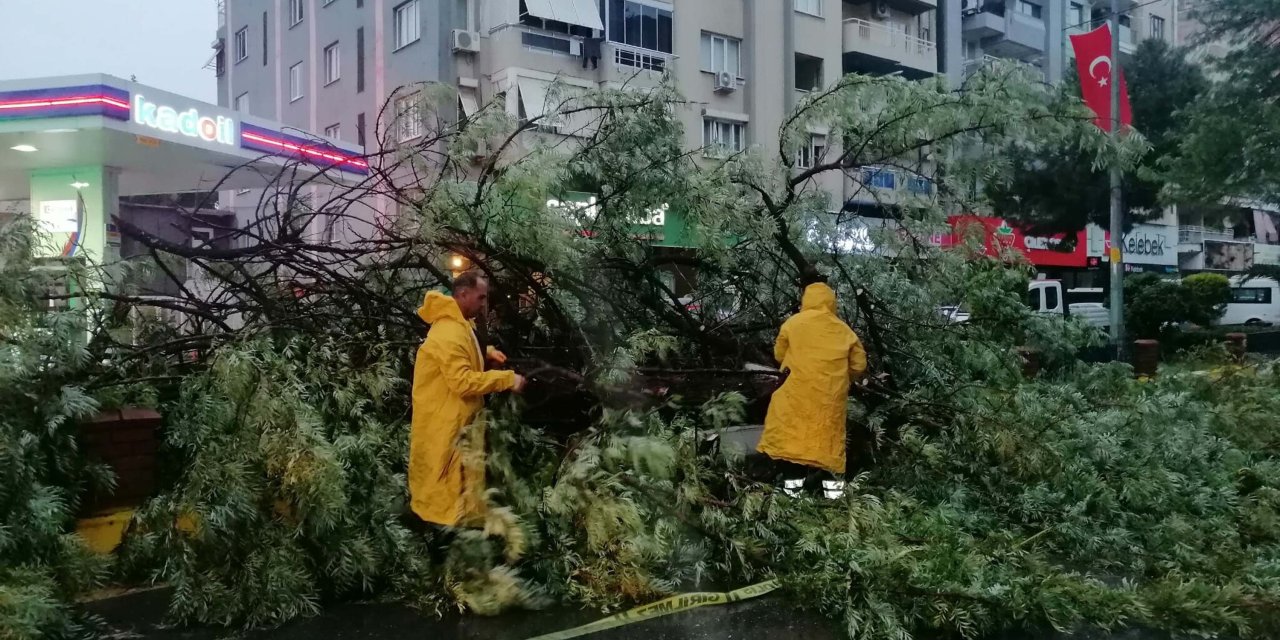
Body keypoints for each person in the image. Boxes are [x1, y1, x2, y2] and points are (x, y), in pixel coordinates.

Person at [410, 271, 526, 528]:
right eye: (481, 297)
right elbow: (462, 382)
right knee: (447, 495)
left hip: (455, 423)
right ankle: (447, 538)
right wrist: (506, 379)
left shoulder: (459, 325)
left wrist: (486, 352)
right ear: (463, 294)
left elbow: (462, 351)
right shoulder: (450, 332)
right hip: (446, 426)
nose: (484, 304)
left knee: (459, 487)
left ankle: (462, 528)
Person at [757, 280, 867, 498]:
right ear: (831, 303)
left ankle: (792, 496)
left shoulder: (792, 324)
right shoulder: (843, 331)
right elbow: (859, 365)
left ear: (805, 301)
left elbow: (779, 354)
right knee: (830, 448)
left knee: (792, 448)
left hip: (794, 397)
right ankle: (834, 499)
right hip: (828, 401)